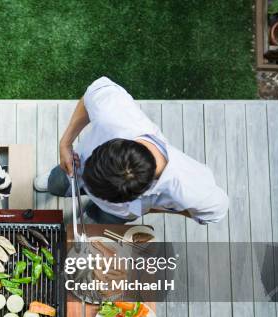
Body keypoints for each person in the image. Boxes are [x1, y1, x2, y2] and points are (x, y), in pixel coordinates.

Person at [34, 76, 228, 224]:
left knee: (97, 222)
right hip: (74, 168)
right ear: (114, 144)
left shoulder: (190, 188)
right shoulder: (116, 117)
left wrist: (154, 208)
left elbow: (215, 213)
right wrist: (65, 144)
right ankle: (59, 184)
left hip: (117, 213)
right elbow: (93, 93)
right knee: (56, 183)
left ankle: (92, 218)